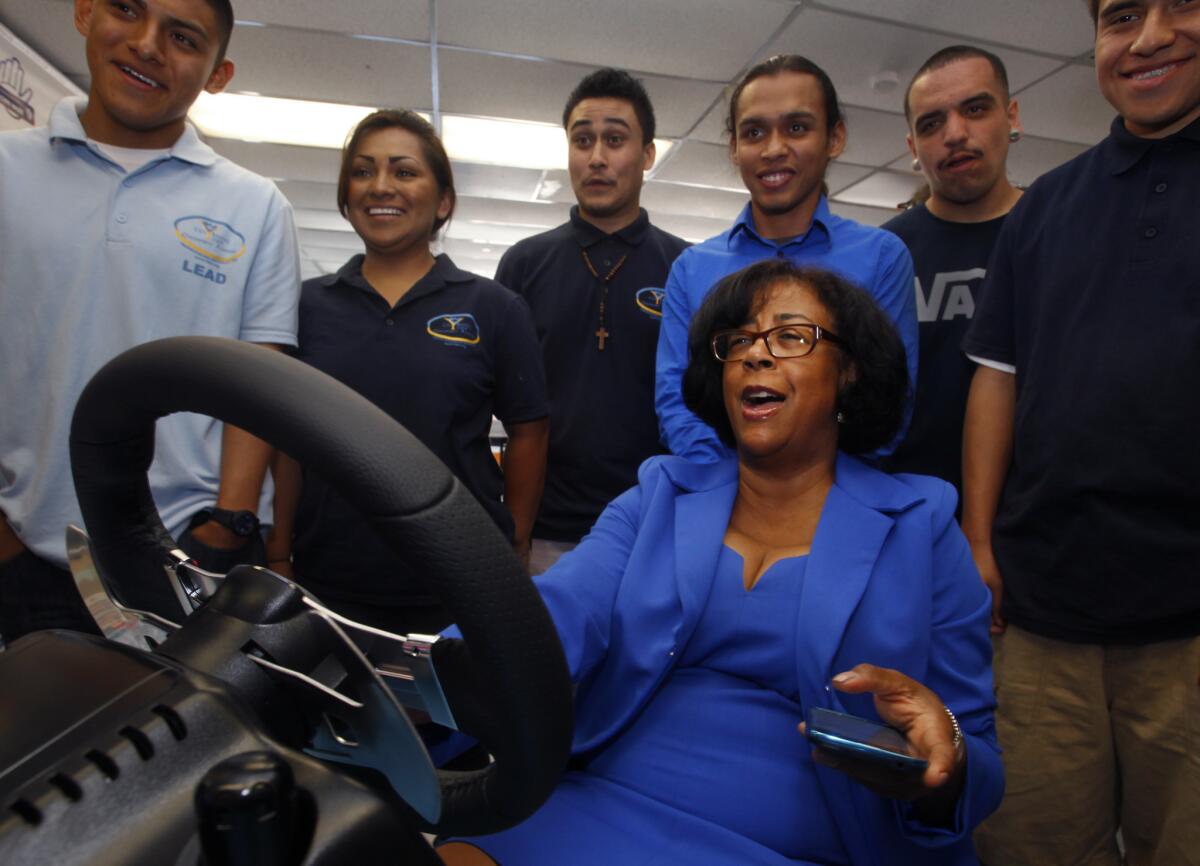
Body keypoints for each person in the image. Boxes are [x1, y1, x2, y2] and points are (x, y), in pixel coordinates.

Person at [439, 260, 1001, 866]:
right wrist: (435, 670)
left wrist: (945, 764)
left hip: (807, 842)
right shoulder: (659, 495)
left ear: (850, 373)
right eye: (738, 341)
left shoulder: (923, 527)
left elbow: (974, 753)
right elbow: (554, 613)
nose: (755, 356)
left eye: (791, 337)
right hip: (597, 799)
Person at [963, 1, 1200, 862]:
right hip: (1043, 619)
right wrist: (980, 541)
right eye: (1121, 15)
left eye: (1181, 5)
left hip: (1189, 635)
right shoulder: (1047, 205)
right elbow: (996, 381)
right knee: (1030, 847)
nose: (1147, 37)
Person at [0, 0, 300, 641]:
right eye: (127, 10)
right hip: (28, 552)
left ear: (216, 75)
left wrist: (228, 524)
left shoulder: (255, 204)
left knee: (187, 741)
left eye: (183, 37)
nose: (146, 44)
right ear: (85, 12)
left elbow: (260, 378)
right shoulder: (6, 171)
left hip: (192, 556)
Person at [268, 110, 548, 634]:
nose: (380, 186)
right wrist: (280, 551)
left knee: (455, 718)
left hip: (460, 576)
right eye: (362, 171)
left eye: (403, 171)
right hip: (329, 577)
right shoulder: (304, 307)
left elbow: (530, 431)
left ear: (443, 202)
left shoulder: (495, 308)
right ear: (346, 197)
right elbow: (288, 444)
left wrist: (515, 541)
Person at [655, 55, 918, 463]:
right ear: (735, 147)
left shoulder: (882, 257)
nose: (774, 149)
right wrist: (740, 492)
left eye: (796, 128)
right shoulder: (691, 269)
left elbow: (888, 403)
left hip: (838, 501)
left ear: (834, 137)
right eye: (755, 132)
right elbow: (676, 401)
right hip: (722, 498)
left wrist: (805, 493)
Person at [495, 68, 688, 574]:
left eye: (615, 139)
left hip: (655, 529)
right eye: (582, 140)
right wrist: (514, 532)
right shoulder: (523, 264)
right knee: (547, 657)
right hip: (542, 532)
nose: (597, 157)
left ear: (647, 154)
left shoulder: (688, 268)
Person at [882, 46, 1023, 499]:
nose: (955, 134)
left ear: (1012, 116)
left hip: (1042, 517)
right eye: (931, 123)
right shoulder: (884, 255)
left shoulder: (1063, 231)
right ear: (913, 148)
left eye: (975, 109)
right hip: (907, 512)